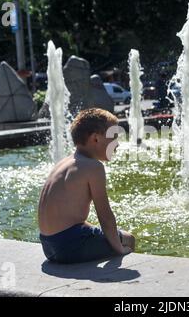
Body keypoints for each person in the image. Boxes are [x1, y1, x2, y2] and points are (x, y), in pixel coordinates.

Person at [38, 108, 135, 264]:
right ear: (96, 139)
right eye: (114, 138)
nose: (117, 144)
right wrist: (119, 249)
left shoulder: (65, 163)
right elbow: (105, 216)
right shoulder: (93, 167)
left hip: (48, 245)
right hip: (70, 247)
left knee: (96, 230)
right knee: (128, 239)